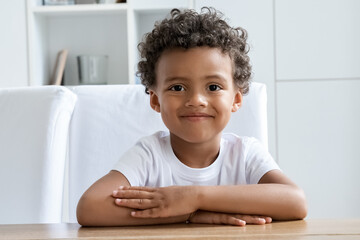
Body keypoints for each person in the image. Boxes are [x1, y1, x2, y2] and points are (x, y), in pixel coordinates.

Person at [76, 7, 307, 227]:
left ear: (236, 99)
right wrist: (190, 214)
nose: (196, 100)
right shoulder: (148, 155)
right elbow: (90, 207)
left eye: (214, 87)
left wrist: (194, 196)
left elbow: (295, 202)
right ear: (156, 100)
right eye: (177, 88)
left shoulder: (245, 153)